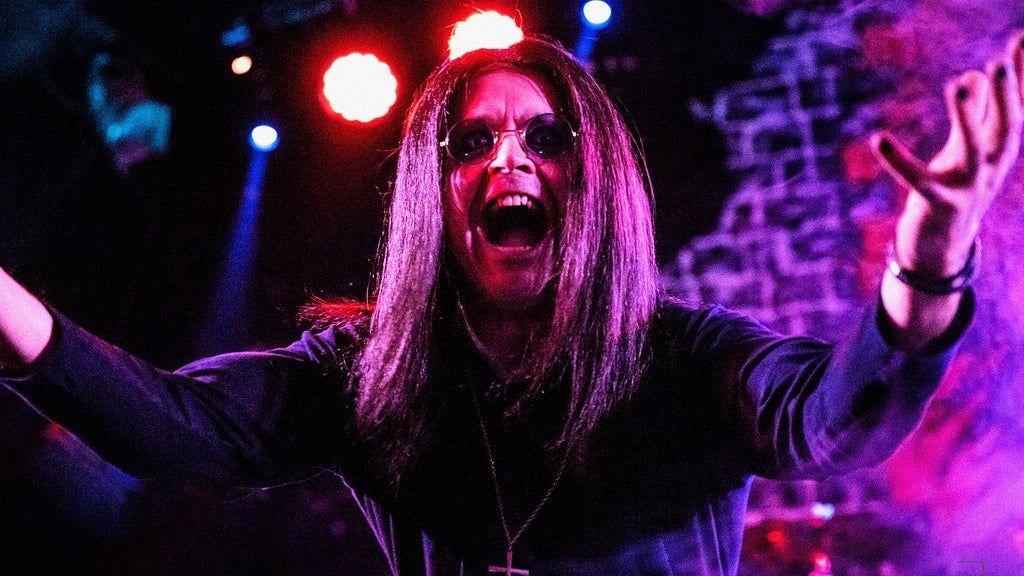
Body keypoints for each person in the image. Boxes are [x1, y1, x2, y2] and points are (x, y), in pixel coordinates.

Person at [1, 32, 1021, 576]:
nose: (509, 161)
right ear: (430, 197)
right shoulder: (366, 377)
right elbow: (177, 424)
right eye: (471, 143)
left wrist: (928, 262)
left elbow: (837, 419)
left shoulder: (685, 359)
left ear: (597, 179)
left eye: (545, 137)